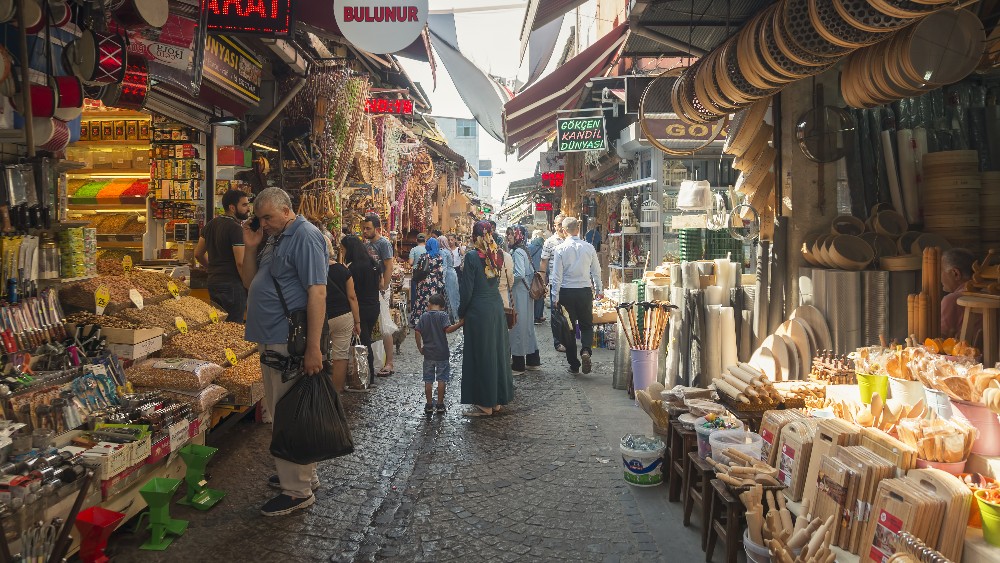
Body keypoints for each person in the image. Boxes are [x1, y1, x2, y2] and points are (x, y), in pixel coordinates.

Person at [240, 187, 328, 517]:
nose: (263, 224)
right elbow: (250, 282)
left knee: (287, 414)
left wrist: (313, 348)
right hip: (273, 337)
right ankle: (302, 475)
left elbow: (317, 293)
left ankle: (297, 491)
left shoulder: (304, 235)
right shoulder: (275, 239)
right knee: (285, 410)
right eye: (259, 218)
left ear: (287, 209)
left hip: (288, 339)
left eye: (268, 217)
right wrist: (251, 248)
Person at [459, 221, 515, 417]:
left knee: (482, 355)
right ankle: (497, 399)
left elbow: (467, 290)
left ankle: (485, 404)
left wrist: (461, 312)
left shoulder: (473, 257)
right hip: (496, 308)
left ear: (475, 237)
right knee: (497, 353)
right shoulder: (497, 253)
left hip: (479, 311)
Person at [551, 217, 603, 375]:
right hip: (585, 291)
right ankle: (586, 350)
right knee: (587, 325)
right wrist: (599, 289)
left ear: (564, 231)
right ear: (578, 230)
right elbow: (596, 271)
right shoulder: (588, 247)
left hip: (567, 292)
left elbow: (556, 276)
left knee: (569, 330)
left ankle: (574, 364)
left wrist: (555, 297)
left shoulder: (560, 249)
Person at [195, 189, 250, 323]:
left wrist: (213, 267)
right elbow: (240, 263)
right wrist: (248, 285)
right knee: (233, 326)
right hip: (232, 285)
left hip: (214, 282)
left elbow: (198, 253)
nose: (248, 208)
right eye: (244, 205)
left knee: (219, 325)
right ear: (232, 207)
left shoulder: (210, 225)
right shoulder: (236, 229)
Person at [342, 235, 381, 389]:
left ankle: (367, 377)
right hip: (373, 307)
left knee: (364, 343)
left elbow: (352, 294)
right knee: (366, 341)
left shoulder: (353, 268)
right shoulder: (372, 264)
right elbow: (381, 284)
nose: (343, 252)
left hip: (361, 309)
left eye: (343, 249)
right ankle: (362, 376)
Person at [415, 294, 462, 415]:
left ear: (429, 304)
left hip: (428, 354)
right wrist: (460, 324)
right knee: (442, 379)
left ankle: (429, 404)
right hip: (442, 353)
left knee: (428, 380)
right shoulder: (443, 315)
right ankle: (440, 404)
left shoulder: (424, 316)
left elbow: (417, 331)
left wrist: (420, 347)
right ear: (442, 307)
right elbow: (448, 329)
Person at [362, 214, 395, 377]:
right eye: (364, 228)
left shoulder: (384, 243)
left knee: (384, 324)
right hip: (370, 289)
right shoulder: (366, 243)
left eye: (368, 228)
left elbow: (389, 265)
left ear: (377, 228)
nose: (365, 231)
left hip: (381, 288)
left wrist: (385, 286)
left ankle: (389, 362)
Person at [326, 240, 361, 392]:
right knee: (340, 356)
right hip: (343, 316)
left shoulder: (311, 269)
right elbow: (352, 297)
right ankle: (336, 393)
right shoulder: (342, 269)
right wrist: (357, 321)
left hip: (320, 317)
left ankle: (322, 392)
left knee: (320, 354)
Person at [507, 226, 540, 374]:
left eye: (510, 235)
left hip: (520, 293)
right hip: (525, 292)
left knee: (518, 327)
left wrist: (506, 279)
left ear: (517, 236)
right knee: (526, 327)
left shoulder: (518, 252)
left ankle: (518, 364)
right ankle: (533, 360)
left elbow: (519, 273)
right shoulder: (523, 250)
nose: (508, 238)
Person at [941, 248, 981, 343]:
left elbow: (939, 339)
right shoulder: (990, 293)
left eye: (940, 271)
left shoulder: (951, 300)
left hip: (965, 355)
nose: (939, 277)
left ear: (956, 273)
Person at [541, 214, 567, 352]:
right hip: (554, 284)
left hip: (570, 284)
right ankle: (558, 342)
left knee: (569, 314)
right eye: (558, 224)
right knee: (556, 314)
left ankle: (568, 339)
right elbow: (543, 263)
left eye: (563, 224)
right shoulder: (549, 242)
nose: (560, 227)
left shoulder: (572, 241)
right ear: (554, 226)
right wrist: (542, 281)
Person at [410, 237, 446, 325]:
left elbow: (418, 268)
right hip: (433, 282)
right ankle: (432, 321)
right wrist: (441, 284)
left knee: (421, 300)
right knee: (432, 301)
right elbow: (440, 271)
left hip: (423, 281)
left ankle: (418, 320)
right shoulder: (439, 258)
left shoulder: (423, 256)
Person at [437, 235, 461, 321]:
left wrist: (442, 280)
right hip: (453, 274)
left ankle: (453, 318)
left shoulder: (443, 252)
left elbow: (444, 266)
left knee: (450, 297)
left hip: (448, 276)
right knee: (454, 296)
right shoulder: (448, 250)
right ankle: (456, 316)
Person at [407, 234, 427, 323]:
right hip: (425, 273)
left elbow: (411, 262)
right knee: (423, 292)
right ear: (425, 240)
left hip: (416, 272)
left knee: (415, 293)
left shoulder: (414, 249)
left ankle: (415, 313)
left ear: (416, 240)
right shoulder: (427, 249)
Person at [528, 229, 545, 324]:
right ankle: (538, 316)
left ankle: (531, 315)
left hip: (530, 275)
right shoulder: (543, 248)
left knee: (531, 294)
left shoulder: (528, 247)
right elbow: (545, 263)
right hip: (540, 275)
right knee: (540, 294)